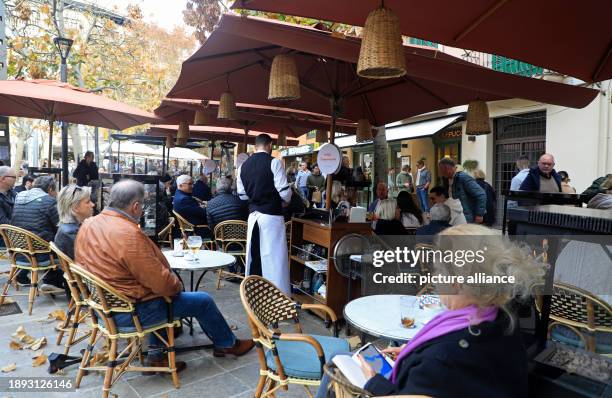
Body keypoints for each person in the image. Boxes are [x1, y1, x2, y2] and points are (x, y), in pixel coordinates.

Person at [316, 224, 544, 397]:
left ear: (456, 281)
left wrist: (374, 383)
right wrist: (415, 352)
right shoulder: (503, 322)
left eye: (438, 270)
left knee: (338, 363)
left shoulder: (442, 361)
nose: (434, 278)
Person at [75, 180, 254, 369]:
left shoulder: (89, 225)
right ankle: (227, 344)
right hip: (130, 312)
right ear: (135, 206)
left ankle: (156, 352)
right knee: (201, 300)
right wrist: (176, 283)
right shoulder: (127, 234)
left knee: (156, 290)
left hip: (103, 308)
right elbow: (164, 285)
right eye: (142, 205)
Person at [237, 134, 292, 293]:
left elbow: (242, 195)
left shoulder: (243, 166)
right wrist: (286, 199)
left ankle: (254, 292)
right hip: (272, 215)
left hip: (253, 215)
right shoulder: (274, 162)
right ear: (270, 145)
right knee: (274, 258)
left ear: (255, 146)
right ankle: (278, 296)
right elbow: (285, 193)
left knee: (254, 254)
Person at [11, 176, 62, 290]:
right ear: (50, 189)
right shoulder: (49, 201)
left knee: (45, 233)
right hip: (40, 253)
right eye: (55, 190)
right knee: (64, 240)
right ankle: (54, 281)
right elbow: (60, 226)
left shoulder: (19, 197)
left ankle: (51, 278)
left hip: (18, 251)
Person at [438, 157, 486, 223]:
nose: (442, 174)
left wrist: (479, 214)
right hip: (454, 215)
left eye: (442, 171)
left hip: (465, 217)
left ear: (448, 168)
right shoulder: (446, 179)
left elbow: (481, 194)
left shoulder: (463, 178)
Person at [54, 184, 95, 260]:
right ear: (75, 207)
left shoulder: (67, 226)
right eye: (88, 202)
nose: (93, 205)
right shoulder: (71, 233)